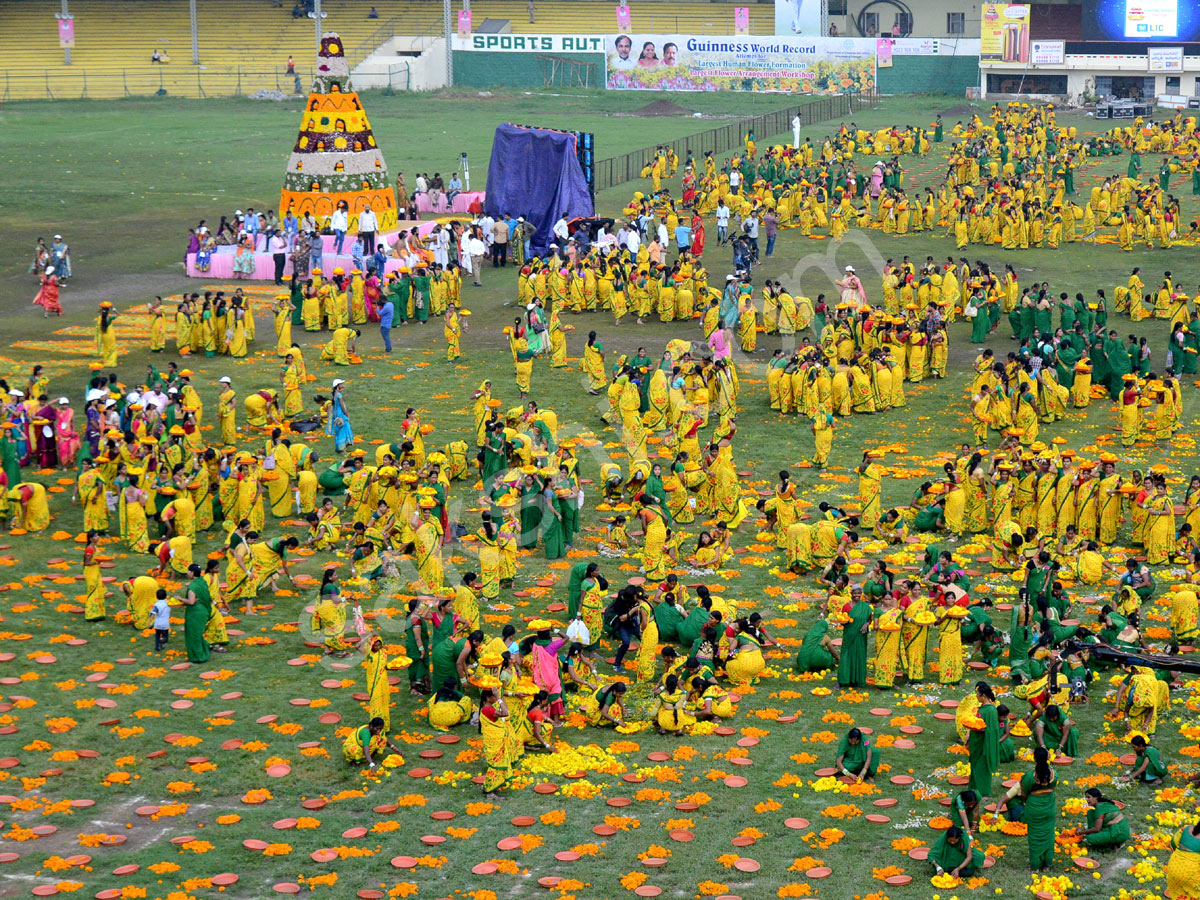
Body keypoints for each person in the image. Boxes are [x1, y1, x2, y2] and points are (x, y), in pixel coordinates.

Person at [1001, 746, 1058, 872]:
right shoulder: (1055, 774)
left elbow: (1024, 792)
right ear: (1048, 757)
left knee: (1035, 837)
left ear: (1034, 758)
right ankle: (1047, 864)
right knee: (1049, 834)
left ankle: (1035, 867)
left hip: (1034, 807)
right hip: (1049, 806)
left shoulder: (1029, 777)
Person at [180, 563, 212, 664]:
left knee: (194, 635)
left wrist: (180, 599)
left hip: (195, 613)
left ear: (193, 573)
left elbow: (191, 602)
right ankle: (204, 650)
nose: (188, 573)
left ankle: (198, 656)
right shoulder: (202, 581)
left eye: (189, 571)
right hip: (203, 610)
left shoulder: (193, 586)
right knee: (198, 633)